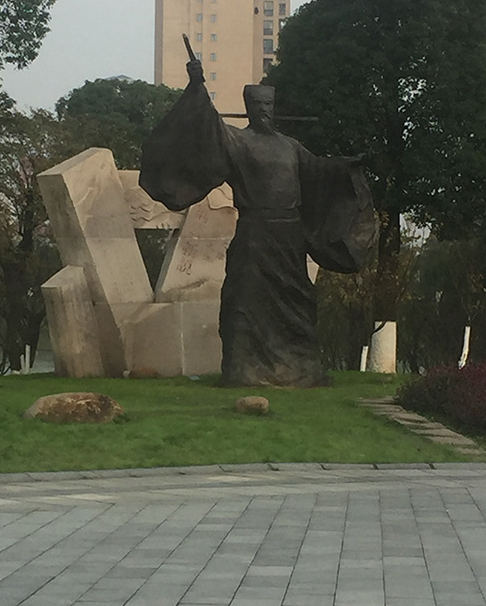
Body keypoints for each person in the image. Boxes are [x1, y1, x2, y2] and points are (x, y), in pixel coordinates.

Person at [140, 57, 375, 386]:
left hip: (290, 237)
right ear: (249, 107)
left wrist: (346, 166)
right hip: (254, 236)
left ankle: (301, 369)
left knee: (297, 303)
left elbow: (317, 172)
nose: (264, 109)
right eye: (258, 104)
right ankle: (245, 371)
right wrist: (196, 86)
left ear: (273, 107)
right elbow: (208, 128)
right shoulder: (238, 141)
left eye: (268, 104)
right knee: (244, 302)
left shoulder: (290, 147)